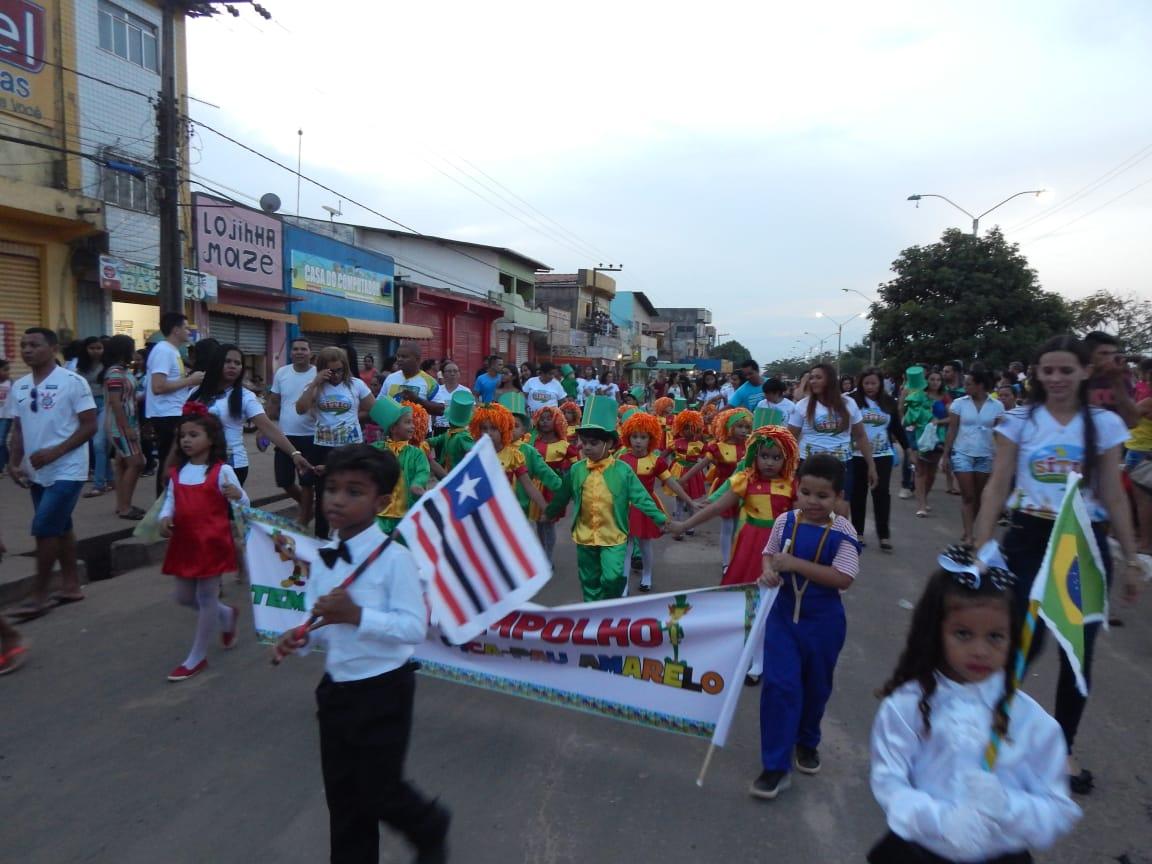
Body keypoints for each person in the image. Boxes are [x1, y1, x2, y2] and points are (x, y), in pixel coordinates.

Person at [972, 335, 1144, 795]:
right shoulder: (1020, 421)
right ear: (1037, 373)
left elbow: (1112, 493)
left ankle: (1063, 748)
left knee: (1077, 652)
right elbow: (996, 486)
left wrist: (1130, 559)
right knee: (1020, 643)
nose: (1056, 378)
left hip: (1084, 545)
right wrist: (980, 545)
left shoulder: (1104, 425)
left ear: (1085, 372)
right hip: (1028, 538)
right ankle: (995, 731)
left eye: (1066, 370)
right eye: (1047, 370)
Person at [272, 444, 451, 864]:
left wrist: (357, 615)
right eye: (331, 488)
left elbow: (412, 628)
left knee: (380, 792)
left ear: (382, 501)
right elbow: (318, 624)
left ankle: (428, 823)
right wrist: (298, 638)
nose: (336, 499)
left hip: (384, 692)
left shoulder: (396, 560)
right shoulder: (323, 557)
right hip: (336, 693)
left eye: (354, 492)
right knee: (345, 803)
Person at [868, 567, 1081, 863]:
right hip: (918, 852)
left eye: (995, 636)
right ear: (936, 631)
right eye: (963, 634)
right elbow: (888, 782)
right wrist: (941, 820)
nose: (980, 650)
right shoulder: (907, 705)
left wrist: (1007, 806)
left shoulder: (1032, 721)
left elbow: (1057, 809)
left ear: (1014, 637)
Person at [750, 454, 860, 800]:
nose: (813, 502)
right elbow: (769, 554)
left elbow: (843, 578)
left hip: (823, 624)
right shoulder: (784, 521)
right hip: (782, 619)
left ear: (838, 497)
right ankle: (775, 766)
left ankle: (807, 740)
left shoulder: (843, 531)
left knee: (816, 688)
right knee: (780, 688)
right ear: (797, 489)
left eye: (823, 496)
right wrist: (768, 570)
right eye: (806, 492)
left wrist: (793, 563)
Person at [545, 397, 682, 601]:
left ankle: (611, 604)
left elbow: (642, 498)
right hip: (584, 536)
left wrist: (663, 520)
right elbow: (562, 495)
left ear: (609, 443)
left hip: (614, 536)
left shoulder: (622, 470)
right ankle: (594, 614)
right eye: (585, 443)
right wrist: (548, 513)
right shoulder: (576, 470)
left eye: (594, 443)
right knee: (589, 580)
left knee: (612, 577)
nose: (587, 448)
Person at [7, 328, 97, 621]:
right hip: (37, 471)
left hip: (68, 469)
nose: (27, 350)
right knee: (61, 527)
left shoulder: (73, 383)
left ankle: (39, 595)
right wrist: (13, 461)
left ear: (53, 347)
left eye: (34, 344)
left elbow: (89, 426)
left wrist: (55, 453)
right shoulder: (18, 386)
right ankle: (71, 586)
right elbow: (18, 428)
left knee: (44, 527)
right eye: (23, 345)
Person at [156, 404, 248, 681]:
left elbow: (245, 501)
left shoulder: (222, 471)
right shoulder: (176, 473)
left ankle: (196, 656)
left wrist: (237, 495)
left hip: (212, 542)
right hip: (184, 543)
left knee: (206, 596)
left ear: (211, 439)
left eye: (194, 434)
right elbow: (170, 501)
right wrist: (164, 517)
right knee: (183, 596)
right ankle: (226, 615)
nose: (186, 440)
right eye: (183, 435)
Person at [675, 423, 799, 589]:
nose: (769, 462)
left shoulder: (792, 485)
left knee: (778, 588)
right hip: (750, 540)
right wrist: (684, 525)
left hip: (781, 542)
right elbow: (717, 507)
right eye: (764, 456)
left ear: (787, 458)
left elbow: (801, 518)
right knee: (746, 584)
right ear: (754, 455)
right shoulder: (746, 481)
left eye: (776, 458)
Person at [297, 346, 376, 539]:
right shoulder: (315, 385)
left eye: (340, 370)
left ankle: (353, 534)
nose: (336, 375)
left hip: (351, 446)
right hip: (323, 447)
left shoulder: (356, 385)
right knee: (324, 492)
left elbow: (374, 409)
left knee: (354, 488)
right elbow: (300, 409)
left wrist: (353, 420)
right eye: (331, 370)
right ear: (323, 368)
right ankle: (322, 538)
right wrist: (316, 382)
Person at [618, 411, 696, 593]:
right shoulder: (621, 459)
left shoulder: (656, 461)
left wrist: (689, 501)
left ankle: (647, 576)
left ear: (651, 438)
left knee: (645, 543)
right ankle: (623, 583)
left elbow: (671, 483)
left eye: (643, 437)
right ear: (628, 437)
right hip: (625, 506)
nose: (638, 441)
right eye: (634, 436)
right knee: (625, 546)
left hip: (646, 506)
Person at [787, 363, 877, 506]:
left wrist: (871, 465)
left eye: (818, 377)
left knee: (840, 509)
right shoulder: (802, 406)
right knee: (808, 509)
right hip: (809, 465)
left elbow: (860, 436)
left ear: (830, 380)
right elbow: (789, 438)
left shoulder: (849, 403)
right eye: (811, 378)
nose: (813, 381)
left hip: (841, 464)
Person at [680, 407, 753, 571]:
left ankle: (735, 557)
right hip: (724, 488)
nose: (743, 431)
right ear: (729, 427)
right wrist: (684, 479)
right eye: (740, 426)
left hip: (744, 490)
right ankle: (726, 562)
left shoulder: (751, 446)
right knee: (727, 525)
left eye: (747, 427)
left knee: (738, 525)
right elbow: (701, 465)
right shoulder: (718, 447)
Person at [941, 366, 1005, 546]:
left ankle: (969, 526)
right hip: (962, 452)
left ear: (980, 385)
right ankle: (969, 534)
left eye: (969, 384)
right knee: (968, 495)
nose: (965, 387)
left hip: (986, 454)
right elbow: (952, 430)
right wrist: (946, 455)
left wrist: (1002, 457)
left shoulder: (997, 406)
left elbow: (1000, 434)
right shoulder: (959, 404)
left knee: (978, 496)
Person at [145, 313, 204, 496]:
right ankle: (163, 507)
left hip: (172, 412)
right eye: (186, 327)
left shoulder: (172, 351)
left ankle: (170, 503)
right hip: (166, 415)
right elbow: (158, 386)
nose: (189, 331)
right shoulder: (164, 350)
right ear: (176, 330)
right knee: (169, 461)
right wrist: (190, 381)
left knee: (173, 461)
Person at [850, 368, 905, 551]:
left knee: (881, 493)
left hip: (883, 454)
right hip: (856, 455)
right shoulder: (852, 401)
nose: (870, 387)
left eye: (874, 383)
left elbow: (897, 428)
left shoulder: (888, 402)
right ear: (861, 384)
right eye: (866, 383)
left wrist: (909, 449)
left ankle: (884, 535)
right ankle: (858, 532)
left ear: (880, 384)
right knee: (858, 494)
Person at [268, 337, 320, 526]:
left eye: (303, 349)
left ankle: (304, 518)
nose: (299, 352)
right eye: (296, 349)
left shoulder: (318, 374)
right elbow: (274, 400)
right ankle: (309, 509)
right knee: (284, 481)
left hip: (311, 436)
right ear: (291, 353)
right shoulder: (282, 372)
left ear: (310, 353)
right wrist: (262, 428)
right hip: (285, 437)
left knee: (307, 481)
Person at [368, 398, 431, 534]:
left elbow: (423, 471)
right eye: (408, 422)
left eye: (412, 422)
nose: (413, 426)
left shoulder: (416, 453)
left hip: (406, 516)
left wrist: (417, 484)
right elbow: (357, 460)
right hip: (379, 515)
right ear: (393, 428)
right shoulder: (377, 449)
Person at [102, 335, 146, 520]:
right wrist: (126, 427)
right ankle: (125, 507)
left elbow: (125, 399)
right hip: (121, 424)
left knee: (122, 464)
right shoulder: (115, 373)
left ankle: (122, 505)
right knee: (136, 463)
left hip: (126, 422)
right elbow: (116, 402)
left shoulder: (120, 371)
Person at [528, 404, 576, 563]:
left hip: (553, 488)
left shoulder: (564, 445)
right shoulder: (532, 441)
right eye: (542, 419)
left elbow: (577, 467)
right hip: (535, 486)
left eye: (549, 418)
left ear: (557, 421)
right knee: (538, 522)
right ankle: (542, 554)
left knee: (548, 523)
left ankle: (547, 558)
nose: (545, 422)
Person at [907, 369, 951, 518]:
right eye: (932, 379)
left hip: (938, 438)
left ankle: (924, 497)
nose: (935, 382)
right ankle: (921, 505)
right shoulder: (919, 397)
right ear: (926, 381)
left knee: (932, 474)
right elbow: (910, 418)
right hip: (920, 436)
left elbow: (952, 418)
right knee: (920, 471)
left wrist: (938, 421)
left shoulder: (945, 398)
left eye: (938, 380)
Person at [76, 337, 112, 497]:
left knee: (98, 444)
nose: (96, 351)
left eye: (99, 348)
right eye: (92, 348)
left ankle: (99, 485)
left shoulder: (109, 366)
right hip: (87, 406)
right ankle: (111, 480)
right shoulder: (80, 365)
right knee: (98, 445)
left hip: (105, 404)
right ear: (86, 349)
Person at [1082, 331, 1139, 428]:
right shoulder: (1077, 378)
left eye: (1114, 354)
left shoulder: (1121, 379)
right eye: (1104, 353)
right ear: (1089, 355)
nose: (1111, 358)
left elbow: (1131, 422)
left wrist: (1116, 381)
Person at [380, 344, 443, 425]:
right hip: (393, 434)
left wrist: (417, 400)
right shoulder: (390, 378)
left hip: (420, 435)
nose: (399, 359)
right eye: (398, 356)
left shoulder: (430, 381)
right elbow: (379, 404)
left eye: (404, 357)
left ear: (417, 359)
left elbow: (440, 410)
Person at [429, 360, 471, 431]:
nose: (452, 374)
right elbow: (432, 412)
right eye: (449, 371)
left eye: (455, 371)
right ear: (442, 374)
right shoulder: (437, 390)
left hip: (459, 429)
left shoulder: (465, 391)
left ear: (459, 374)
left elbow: (471, 411)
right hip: (439, 428)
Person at [0, 358, 12, 476]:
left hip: (6, 416)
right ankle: (10, 463)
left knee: (0, 441)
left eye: (8, 370)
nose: (7, 373)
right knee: (1, 443)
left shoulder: (11, 383)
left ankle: (1, 468)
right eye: (4, 370)